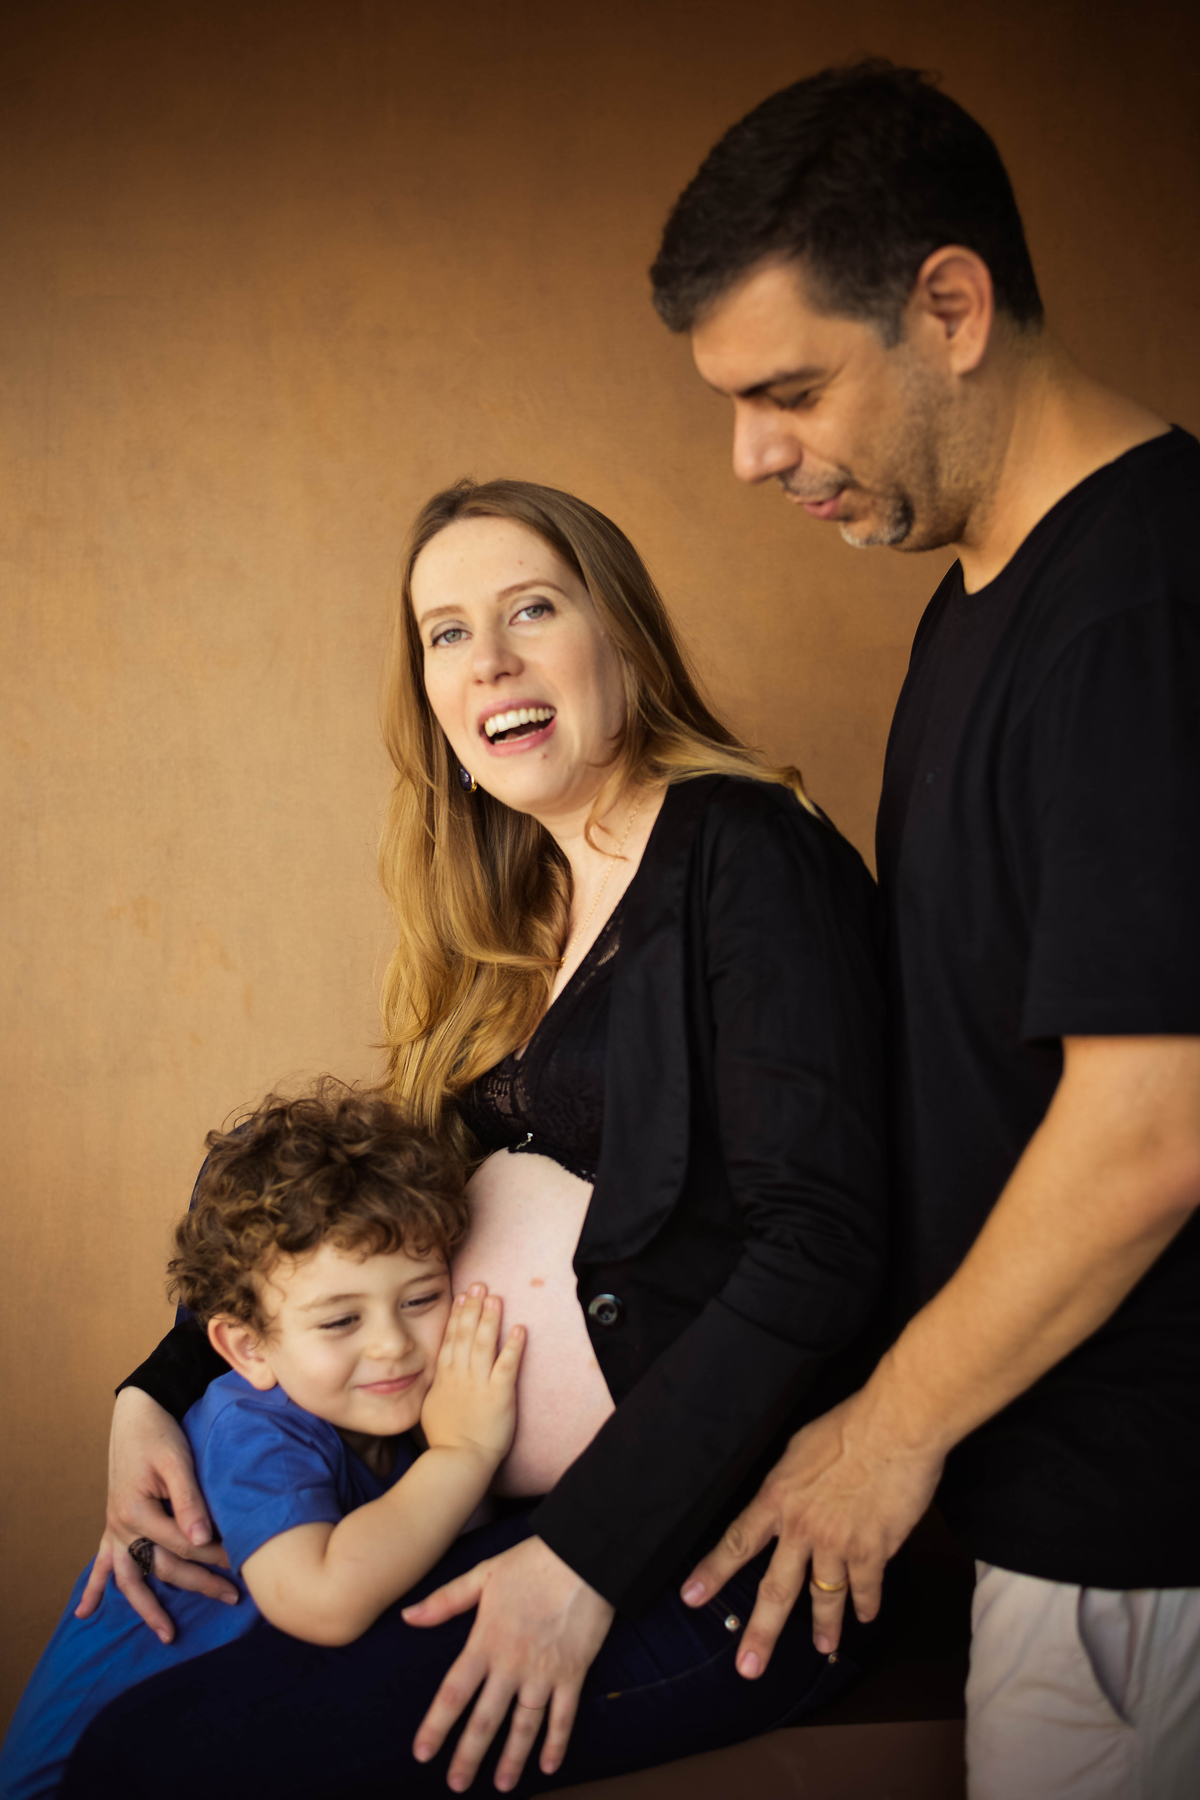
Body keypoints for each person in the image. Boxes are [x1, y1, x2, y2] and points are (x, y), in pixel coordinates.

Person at [60, 479, 889, 1796]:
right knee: (116, 1742)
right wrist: (153, 1392)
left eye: (531, 609)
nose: (487, 657)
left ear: (623, 637)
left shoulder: (746, 854)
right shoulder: (512, 905)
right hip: (515, 1508)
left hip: (705, 1548)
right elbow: (355, 1207)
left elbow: (822, 1249)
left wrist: (580, 1565)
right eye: (445, 632)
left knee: (151, 1769)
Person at [649, 57, 1200, 1800]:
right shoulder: (979, 597)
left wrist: (882, 1437)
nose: (751, 455)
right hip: (1047, 1502)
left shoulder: (1141, 608)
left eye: (790, 389)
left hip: (1148, 1540)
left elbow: (1157, 1123)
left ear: (948, 304)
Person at [1, 1083, 525, 1799]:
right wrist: (465, 1453)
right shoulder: (252, 1428)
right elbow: (323, 1600)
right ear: (247, 1348)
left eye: (421, 1299)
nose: (392, 1345)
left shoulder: (391, 1421)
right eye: (340, 1321)